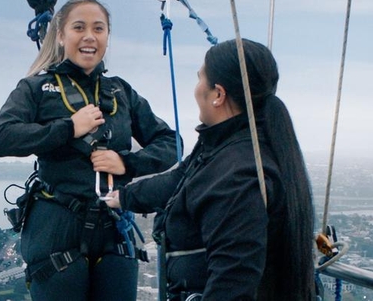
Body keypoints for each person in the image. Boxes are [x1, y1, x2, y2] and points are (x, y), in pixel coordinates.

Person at [0, 0, 179, 301]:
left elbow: (172, 143)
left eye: (99, 29)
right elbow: (1, 138)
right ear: (61, 36)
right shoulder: (37, 88)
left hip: (114, 229)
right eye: (79, 27)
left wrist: (126, 163)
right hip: (57, 228)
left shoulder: (121, 91)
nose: (90, 36)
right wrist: (68, 129)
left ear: (106, 37)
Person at [106, 38, 316, 300]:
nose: (195, 89)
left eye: (199, 79)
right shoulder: (226, 148)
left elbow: (232, 284)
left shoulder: (238, 175)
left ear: (218, 94)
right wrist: (125, 196)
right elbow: (182, 179)